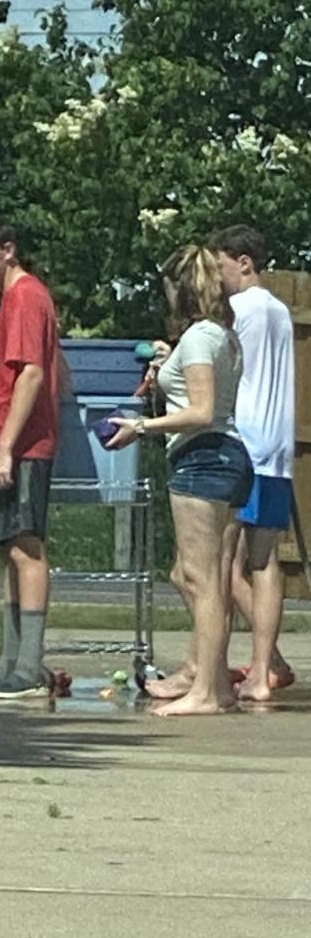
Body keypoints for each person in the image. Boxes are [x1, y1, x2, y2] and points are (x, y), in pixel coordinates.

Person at [109, 246, 253, 716]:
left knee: (203, 580)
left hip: (204, 459)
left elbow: (202, 410)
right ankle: (216, 682)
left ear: (181, 287)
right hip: (224, 457)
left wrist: (140, 427)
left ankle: (206, 691)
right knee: (195, 575)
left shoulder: (199, 337)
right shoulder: (220, 335)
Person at [0, 216, 61, 700]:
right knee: (6, 549)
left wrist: (6, 447)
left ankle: (30, 666)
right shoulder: (9, 300)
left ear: (9, 250)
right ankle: (9, 662)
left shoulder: (26, 296)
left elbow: (32, 374)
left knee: (26, 546)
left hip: (19, 447)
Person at [212, 227, 295, 700]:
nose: (216, 277)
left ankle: (217, 667)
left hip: (244, 442)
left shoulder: (241, 309)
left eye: (220, 266)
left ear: (244, 262)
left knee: (222, 563)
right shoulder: (279, 310)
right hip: (277, 446)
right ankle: (265, 669)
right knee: (263, 562)